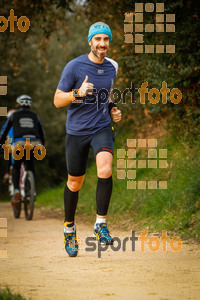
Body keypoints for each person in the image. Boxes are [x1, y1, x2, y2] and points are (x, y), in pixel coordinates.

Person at [54, 22, 122, 257]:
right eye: (98, 39)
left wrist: (112, 108)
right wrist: (77, 94)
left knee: (105, 169)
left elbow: (109, 92)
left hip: (101, 127)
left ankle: (100, 224)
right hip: (76, 132)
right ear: (90, 42)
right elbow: (57, 100)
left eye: (106, 39)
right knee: (75, 182)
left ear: (109, 42)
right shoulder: (74, 67)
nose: (102, 43)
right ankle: (69, 228)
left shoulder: (113, 66)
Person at [0, 95, 45, 205]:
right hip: (34, 143)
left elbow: (4, 131)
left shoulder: (14, 115)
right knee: (30, 164)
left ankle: (16, 190)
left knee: (16, 166)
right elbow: (42, 132)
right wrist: (42, 145)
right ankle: (32, 191)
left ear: (19, 104)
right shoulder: (35, 116)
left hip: (19, 143)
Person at [0, 109, 16, 184]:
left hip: (10, 146)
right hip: (22, 145)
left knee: (8, 155)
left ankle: (7, 173)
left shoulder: (6, 125)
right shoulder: (20, 123)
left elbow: (2, 135)